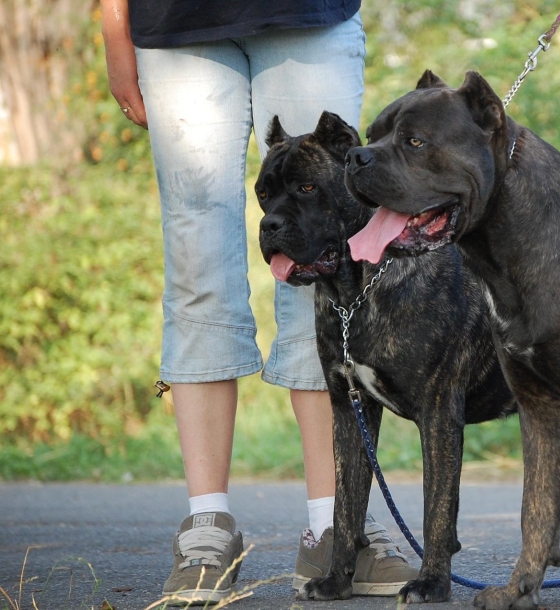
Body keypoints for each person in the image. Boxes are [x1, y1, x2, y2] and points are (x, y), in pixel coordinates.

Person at [99, 0, 417, 604]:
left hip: (307, 15)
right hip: (175, 24)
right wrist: (115, 25)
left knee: (324, 257)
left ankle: (336, 526)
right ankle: (207, 527)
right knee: (196, 262)